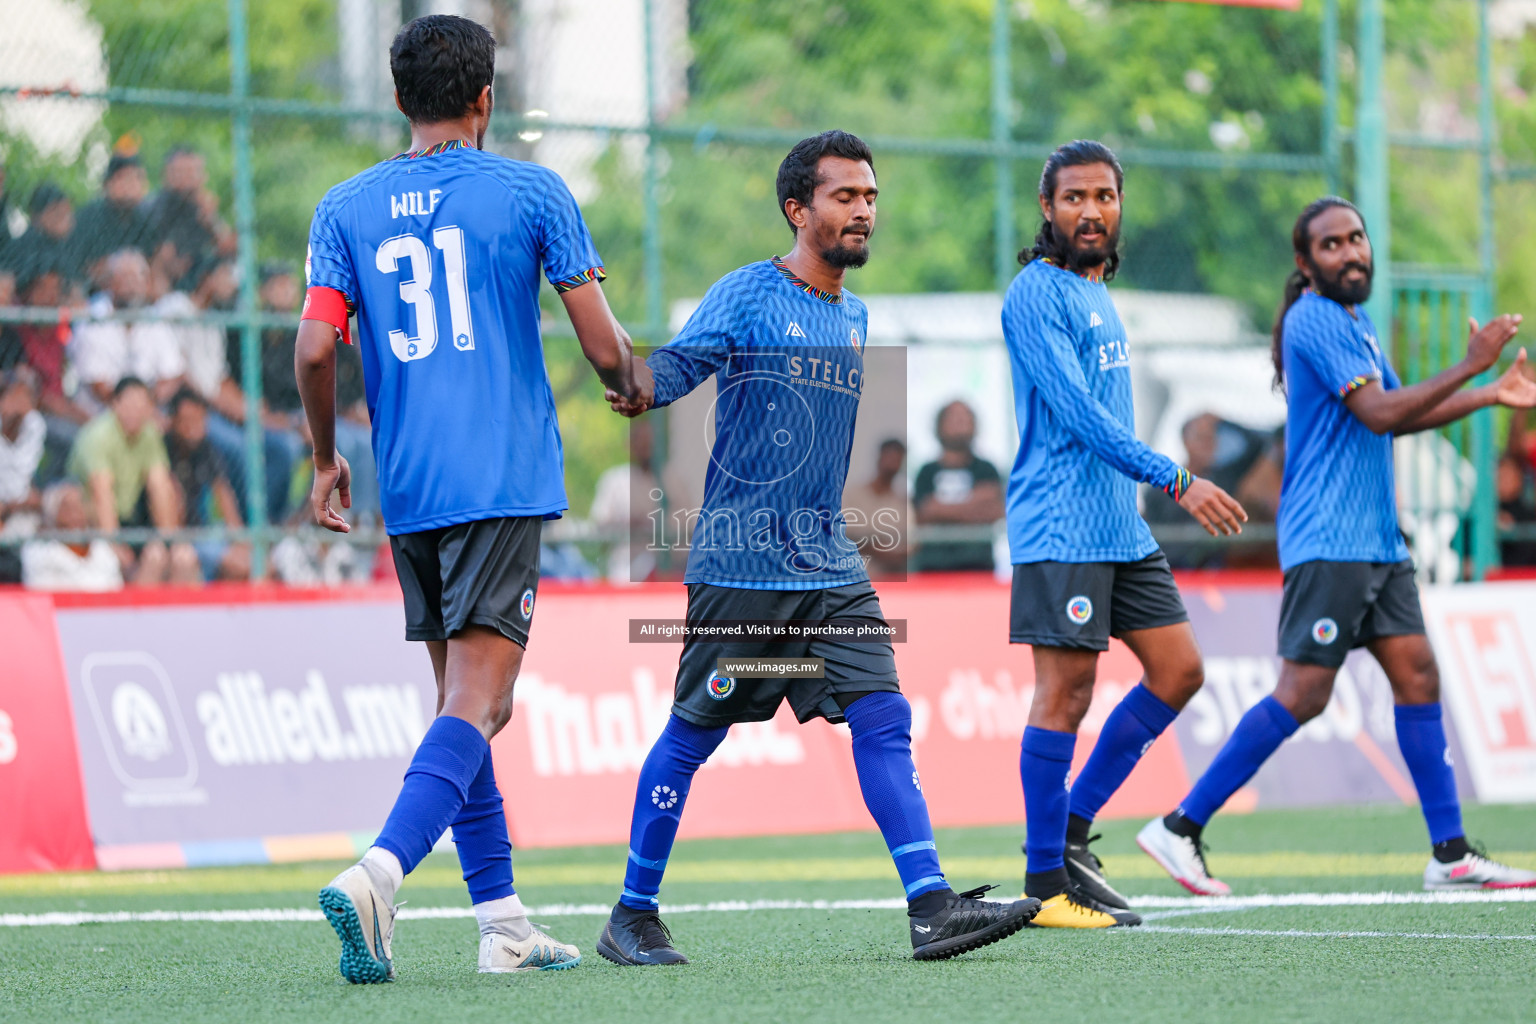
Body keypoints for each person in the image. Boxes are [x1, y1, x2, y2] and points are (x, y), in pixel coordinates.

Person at [594, 130, 1039, 968]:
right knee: (694, 734)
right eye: (845, 196)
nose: (863, 209)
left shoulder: (855, 312)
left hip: (829, 564)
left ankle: (930, 905)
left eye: (870, 196)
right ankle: (631, 913)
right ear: (799, 210)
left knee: (884, 713)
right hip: (742, 569)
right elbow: (670, 374)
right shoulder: (749, 293)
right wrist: (625, 369)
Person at [296, 14, 646, 981]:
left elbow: (316, 348)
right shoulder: (531, 189)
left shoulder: (345, 207)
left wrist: (328, 458)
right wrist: (628, 379)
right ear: (486, 98)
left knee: (467, 706)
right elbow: (603, 342)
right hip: (499, 478)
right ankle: (380, 873)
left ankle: (502, 923)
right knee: (478, 703)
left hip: (411, 488)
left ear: (401, 99)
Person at [1137, 196, 1536, 894]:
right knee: (1302, 694)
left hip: (1377, 543)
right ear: (1305, 263)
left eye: (1356, 238)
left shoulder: (1355, 319)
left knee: (1418, 677)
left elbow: (1398, 411)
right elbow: (1379, 413)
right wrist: (1471, 365)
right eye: (1331, 244)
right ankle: (1179, 827)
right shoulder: (1314, 318)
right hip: (1330, 541)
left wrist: (1489, 393)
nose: (1350, 252)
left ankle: (1450, 854)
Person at [1003, 140, 1248, 928]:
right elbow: (1077, 416)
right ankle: (1045, 886)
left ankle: (1071, 832)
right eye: (1073, 197)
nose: (1090, 210)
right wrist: (1177, 477)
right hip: (1062, 526)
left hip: (1119, 526)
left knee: (1179, 672)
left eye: (1104, 196)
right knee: (1065, 695)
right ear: (1048, 208)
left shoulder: (1098, 290)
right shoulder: (1035, 295)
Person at [67, 376, 199, 585]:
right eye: (129, 403)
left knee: (177, 558)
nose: (135, 411)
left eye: (141, 405)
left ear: (150, 408)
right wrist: (115, 545)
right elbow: (102, 494)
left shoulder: (148, 434)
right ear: (115, 404)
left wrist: (171, 543)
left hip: (129, 519)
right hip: (88, 527)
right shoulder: (98, 436)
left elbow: (160, 486)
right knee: (124, 560)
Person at [71, 249, 186, 412]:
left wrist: (145, 407)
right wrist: (133, 411)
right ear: (109, 283)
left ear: (147, 283)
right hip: (99, 415)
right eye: (123, 277)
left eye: (136, 277)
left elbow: (173, 374)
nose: (131, 285)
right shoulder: (92, 318)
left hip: (148, 412)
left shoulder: (155, 318)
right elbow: (99, 388)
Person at [165, 388, 250, 581]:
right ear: (173, 422)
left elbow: (223, 494)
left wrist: (240, 542)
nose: (193, 428)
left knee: (250, 562)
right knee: (234, 563)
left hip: (201, 533)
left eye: (199, 420)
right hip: (177, 537)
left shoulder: (206, 449)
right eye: (186, 421)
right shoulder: (164, 450)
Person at [911, 401, 1003, 572]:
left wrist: (941, 509)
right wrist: (974, 504)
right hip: (933, 567)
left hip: (978, 566)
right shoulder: (927, 472)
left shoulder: (986, 469)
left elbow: (995, 511)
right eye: (954, 418)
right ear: (940, 425)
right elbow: (923, 513)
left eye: (966, 418)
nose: (961, 423)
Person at [20, 482, 123, 591]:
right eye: (67, 507)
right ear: (53, 513)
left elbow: (115, 587)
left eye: (80, 505)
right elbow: (40, 592)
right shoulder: (39, 551)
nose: (76, 514)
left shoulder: (102, 548)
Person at [75, 152, 154, 284]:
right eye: (123, 178)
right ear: (108, 183)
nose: (130, 185)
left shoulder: (145, 219)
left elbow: (152, 262)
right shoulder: (90, 216)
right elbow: (84, 265)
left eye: (136, 178)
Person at [842, 436, 911, 579]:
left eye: (897, 460)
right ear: (879, 457)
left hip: (893, 581)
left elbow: (911, 543)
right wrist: (877, 550)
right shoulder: (853, 494)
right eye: (889, 457)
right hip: (853, 578)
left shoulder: (902, 501)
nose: (892, 464)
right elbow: (842, 535)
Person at [0, 366, 44, 531]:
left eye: (27, 396)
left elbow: (26, 476)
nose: (20, 403)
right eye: (15, 395)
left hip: (19, 512)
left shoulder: (35, 424)